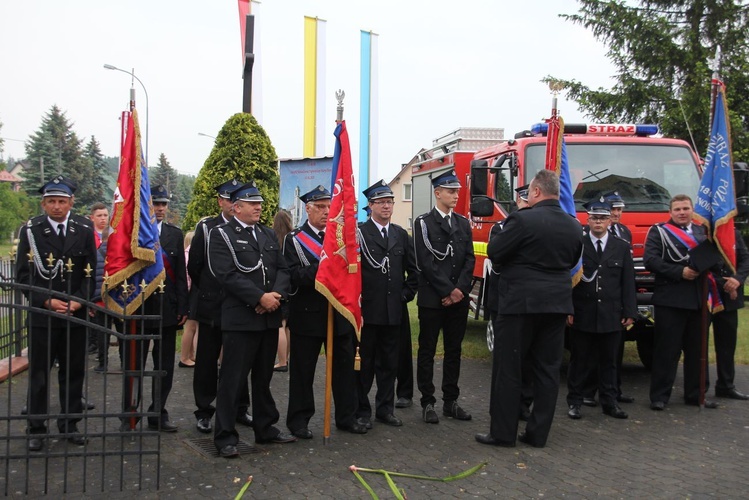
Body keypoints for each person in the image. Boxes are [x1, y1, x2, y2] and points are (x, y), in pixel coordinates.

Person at [476, 169, 583, 448]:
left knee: (509, 369)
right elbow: (572, 259)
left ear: (535, 191)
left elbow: (495, 252)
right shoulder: (573, 225)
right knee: (547, 371)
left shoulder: (522, 220)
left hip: (519, 306)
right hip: (556, 306)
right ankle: (537, 435)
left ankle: (503, 433)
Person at [208, 181, 296, 458]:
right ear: (237, 207)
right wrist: (259, 297)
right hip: (241, 320)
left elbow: (283, 270)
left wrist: (275, 296)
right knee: (232, 379)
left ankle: (265, 427)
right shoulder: (221, 235)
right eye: (252, 203)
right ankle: (225, 437)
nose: (258, 207)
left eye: (259, 203)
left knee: (263, 378)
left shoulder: (268, 234)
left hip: (268, 318)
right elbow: (225, 274)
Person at [16, 176, 97, 451]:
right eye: (51, 201)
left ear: (71, 202)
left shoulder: (84, 229)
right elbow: (23, 276)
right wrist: (46, 300)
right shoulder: (31, 230)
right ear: (44, 204)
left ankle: (70, 424)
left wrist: (78, 301)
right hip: (43, 316)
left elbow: (90, 274)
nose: (57, 206)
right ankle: (36, 427)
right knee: (39, 374)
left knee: (74, 372)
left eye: (62, 201)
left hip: (74, 314)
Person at [283, 185, 368, 439]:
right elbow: (292, 275)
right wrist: (323, 270)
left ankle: (346, 416)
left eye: (328, 206)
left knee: (344, 372)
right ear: (307, 209)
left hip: (338, 312)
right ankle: (299, 420)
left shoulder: (342, 239)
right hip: (307, 315)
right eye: (319, 207)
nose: (325, 211)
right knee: (302, 373)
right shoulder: (294, 240)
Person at [187, 179, 253, 434]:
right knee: (206, 359)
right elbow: (196, 266)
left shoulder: (248, 227)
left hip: (240, 305)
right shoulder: (207, 228)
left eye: (234, 198)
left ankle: (239, 408)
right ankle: (204, 410)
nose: (230, 203)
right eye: (226, 199)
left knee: (239, 360)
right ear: (221, 202)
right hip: (213, 305)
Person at [644, 194, 718, 410]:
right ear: (670, 212)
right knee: (667, 351)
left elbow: (715, 259)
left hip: (698, 300)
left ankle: (696, 394)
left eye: (685, 208)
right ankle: (659, 397)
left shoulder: (702, 232)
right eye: (677, 209)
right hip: (671, 300)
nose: (682, 212)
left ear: (692, 210)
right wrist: (679, 271)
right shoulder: (658, 232)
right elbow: (651, 260)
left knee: (697, 351)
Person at [413, 170, 475, 424]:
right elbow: (426, 262)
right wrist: (448, 290)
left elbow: (469, 259)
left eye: (457, 191)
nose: (455, 195)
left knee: (454, 351)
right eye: (450, 191)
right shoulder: (423, 223)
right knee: (427, 350)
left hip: (457, 301)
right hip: (433, 298)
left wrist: (459, 290)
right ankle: (428, 401)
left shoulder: (462, 223)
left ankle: (451, 400)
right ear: (437, 193)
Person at [566, 197, 636, 420]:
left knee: (610, 362)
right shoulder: (578, 245)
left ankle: (610, 402)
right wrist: (568, 308)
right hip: (583, 312)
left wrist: (630, 312)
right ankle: (575, 402)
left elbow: (628, 282)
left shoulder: (621, 247)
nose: (598, 222)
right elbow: (569, 280)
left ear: (610, 221)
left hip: (611, 313)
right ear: (587, 220)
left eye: (603, 218)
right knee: (579, 361)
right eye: (595, 218)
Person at [355, 180, 418, 428]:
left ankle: (385, 409)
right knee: (365, 365)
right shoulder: (360, 233)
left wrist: (404, 296)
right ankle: (362, 410)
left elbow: (413, 273)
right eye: (381, 202)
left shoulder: (400, 235)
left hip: (393, 312)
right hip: (367, 312)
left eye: (389, 202)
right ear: (370, 206)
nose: (386, 206)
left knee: (389, 365)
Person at [127, 185, 189, 432]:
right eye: (156, 204)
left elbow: (181, 277)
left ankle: (157, 413)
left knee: (163, 367)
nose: (160, 208)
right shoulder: (134, 233)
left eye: (164, 204)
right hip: (138, 308)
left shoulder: (174, 234)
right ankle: (129, 415)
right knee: (134, 366)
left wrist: (183, 307)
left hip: (166, 310)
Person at [485, 184, 534, 421]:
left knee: (529, 358)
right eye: (523, 202)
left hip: (528, 301)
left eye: (529, 202)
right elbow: (498, 259)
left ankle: (524, 402)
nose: (525, 206)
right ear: (517, 202)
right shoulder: (501, 228)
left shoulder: (538, 228)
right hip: (503, 300)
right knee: (507, 358)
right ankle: (506, 406)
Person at [710, 228, 749, 400]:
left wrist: (738, 279)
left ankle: (726, 385)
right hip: (706, 295)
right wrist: (721, 282)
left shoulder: (734, 233)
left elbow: (745, 259)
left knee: (727, 344)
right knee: (697, 344)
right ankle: (698, 389)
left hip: (729, 297)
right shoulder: (698, 231)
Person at [272, 210, 293, 372]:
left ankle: (281, 361)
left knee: (280, 325)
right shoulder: (293, 238)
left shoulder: (272, 238)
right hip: (291, 288)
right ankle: (286, 358)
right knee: (287, 327)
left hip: (278, 287)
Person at [179, 230, 198, 368]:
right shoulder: (189, 254)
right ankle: (185, 357)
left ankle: (190, 355)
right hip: (192, 293)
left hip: (192, 292)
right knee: (192, 326)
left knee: (191, 327)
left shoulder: (187, 253)